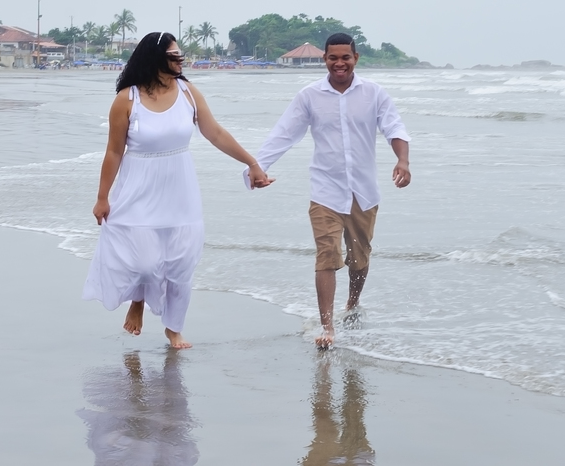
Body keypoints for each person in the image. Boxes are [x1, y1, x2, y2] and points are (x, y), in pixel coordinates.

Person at [84, 31, 271, 348]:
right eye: (174, 56)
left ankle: (174, 329)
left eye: (180, 55)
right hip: (138, 192)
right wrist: (102, 197)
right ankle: (138, 301)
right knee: (145, 263)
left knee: (181, 264)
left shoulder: (188, 92)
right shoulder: (126, 100)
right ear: (155, 59)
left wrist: (252, 163)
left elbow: (215, 133)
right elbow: (114, 152)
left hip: (180, 192)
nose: (180, 60)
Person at [249, 33, 411, 348]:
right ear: (325, 59)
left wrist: (402, 161)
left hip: (363, 192)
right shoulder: (309, 96)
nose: (339, 63)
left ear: (356, 59)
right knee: (326, 255)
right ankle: (327, 327)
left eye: (345, 58)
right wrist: (256, 167)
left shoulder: (374, 94)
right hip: (325, 190)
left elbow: (394, 128)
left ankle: (352, 302)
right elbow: (284, 134)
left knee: (359, 260)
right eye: (333, 58)